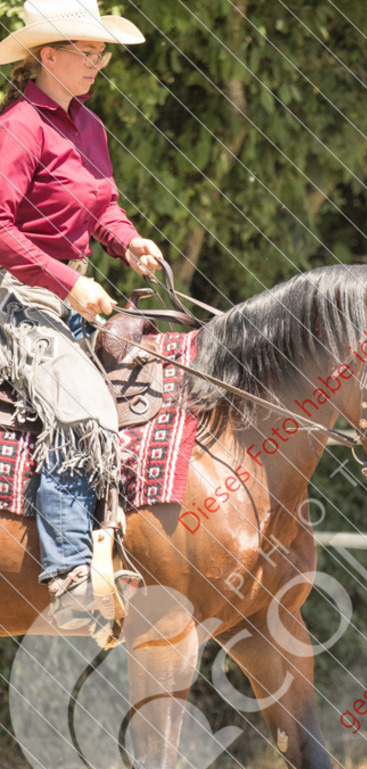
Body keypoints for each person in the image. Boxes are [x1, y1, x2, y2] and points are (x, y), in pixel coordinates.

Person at [0, 1, 163, 626]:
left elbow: (103, 208)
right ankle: (68, 574)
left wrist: (129, 242)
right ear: (47, 56)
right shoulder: (20, 125)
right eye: (86, 53)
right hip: (17, 295)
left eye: (102, 54)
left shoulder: (88, 126)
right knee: (81, 407)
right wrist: (70, 282)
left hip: (68, 295)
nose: (98, 64)